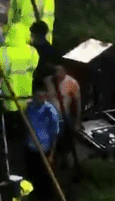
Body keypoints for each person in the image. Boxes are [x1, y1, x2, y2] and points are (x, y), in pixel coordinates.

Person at [0, 22, 39, 174]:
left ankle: (9, 164)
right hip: (26, 100)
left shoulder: (3, 53)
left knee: (8, 134)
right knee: (24, 133)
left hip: (8, 100)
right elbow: (33, 68)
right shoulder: (32, 52)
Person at [23, 79, 59, 187]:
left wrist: (52, 154)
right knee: (30, 175)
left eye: (42, 96)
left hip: (44, 149)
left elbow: (55, 133)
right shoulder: (30, 107)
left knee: (44, 178)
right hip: (30, 148)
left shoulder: (50, 111)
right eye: (38, 96)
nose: (40, 99)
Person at [46, 64, 81, 176]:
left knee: (67, 139)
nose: (58, 77)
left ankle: (69, 162)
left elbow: (78, 102)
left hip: (64, 114)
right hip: (50, 116)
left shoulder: (71, 83)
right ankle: (54, 162)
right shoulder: (47, 81)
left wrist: (77, 121)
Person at [29, 21, 56, 86]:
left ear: (32, 34)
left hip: (34, 85)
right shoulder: (52, 50)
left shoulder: (29, 50)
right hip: (47, 86)